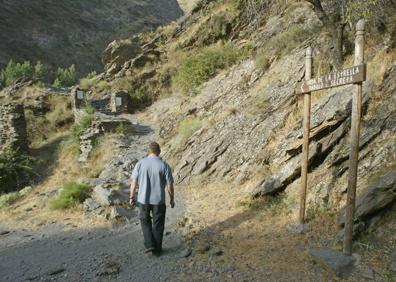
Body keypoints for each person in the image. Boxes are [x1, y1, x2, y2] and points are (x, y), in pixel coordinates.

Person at [129, 142, 175, 256]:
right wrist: (172, 199)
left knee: (145, 222)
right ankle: (157, 250)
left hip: (143, 199)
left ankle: (150, 244)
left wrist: (131, 196)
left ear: (148, 151)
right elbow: (170, 185)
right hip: (159, 200)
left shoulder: (140, 164)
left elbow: (134, 182)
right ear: (159, 151)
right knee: (158, 224)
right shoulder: (164, 165)